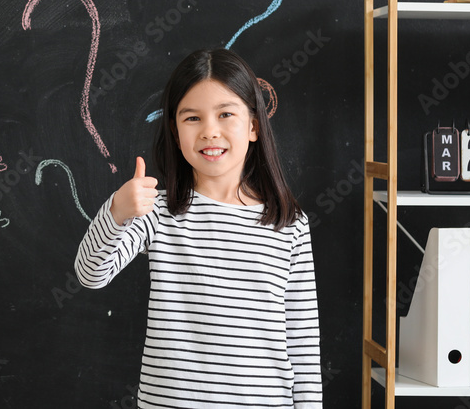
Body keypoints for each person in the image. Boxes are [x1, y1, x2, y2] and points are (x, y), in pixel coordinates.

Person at [74, 48, 323, 408]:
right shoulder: (156, 212)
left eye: (226, 114)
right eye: (192, 118)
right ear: (175, 132)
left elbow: (302, 341)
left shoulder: (287, 222)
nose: (210, 131)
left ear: (253, 125)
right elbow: (89, 274)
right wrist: (117, 212)